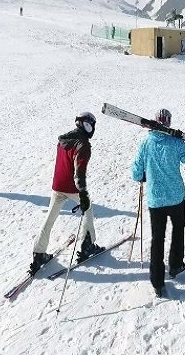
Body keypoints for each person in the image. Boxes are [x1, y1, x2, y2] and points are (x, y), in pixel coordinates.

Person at [132, 109, 185, 297]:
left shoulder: (146, 143)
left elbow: (135, 173)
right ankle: (175, 266)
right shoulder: (175, 142)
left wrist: (142, 174)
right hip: (176, 198)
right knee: (177, 230)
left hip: (156, 200)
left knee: (158, 240)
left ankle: (158, 282)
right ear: (168, 122)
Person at [30, 112, 105, 275]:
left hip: (57, 186)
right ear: (87, 125)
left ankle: (39, 252)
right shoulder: (82, 144)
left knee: (50, 217)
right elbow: (80, 172)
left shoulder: (63, 140)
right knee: (88, 210)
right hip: (72, 187)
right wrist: (83, 194)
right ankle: (88, 245)